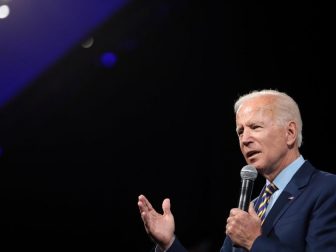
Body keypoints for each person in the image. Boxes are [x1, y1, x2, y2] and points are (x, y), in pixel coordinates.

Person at [137, 89, 336, 252]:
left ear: (290, 133)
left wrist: (255, 242)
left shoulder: (327, 189)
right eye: (240, 131)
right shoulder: (252, 207)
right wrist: (169, 244)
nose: (245, 139)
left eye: (255, 127)